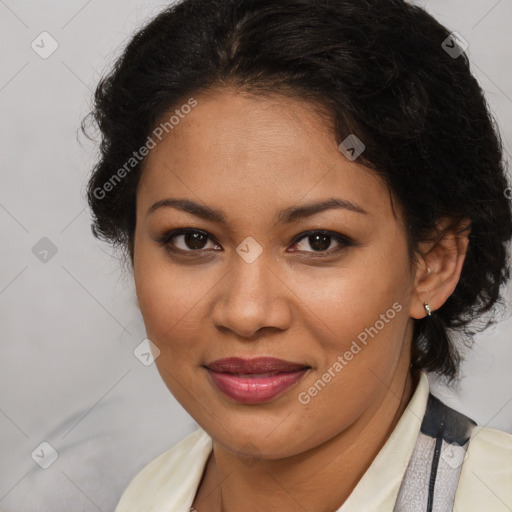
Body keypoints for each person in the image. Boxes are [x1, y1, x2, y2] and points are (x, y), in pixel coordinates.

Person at [82, 0, 512, 510]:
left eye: (318, 241)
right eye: (193, 239)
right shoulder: (151, 494)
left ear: (433, 265)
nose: (245, 312)